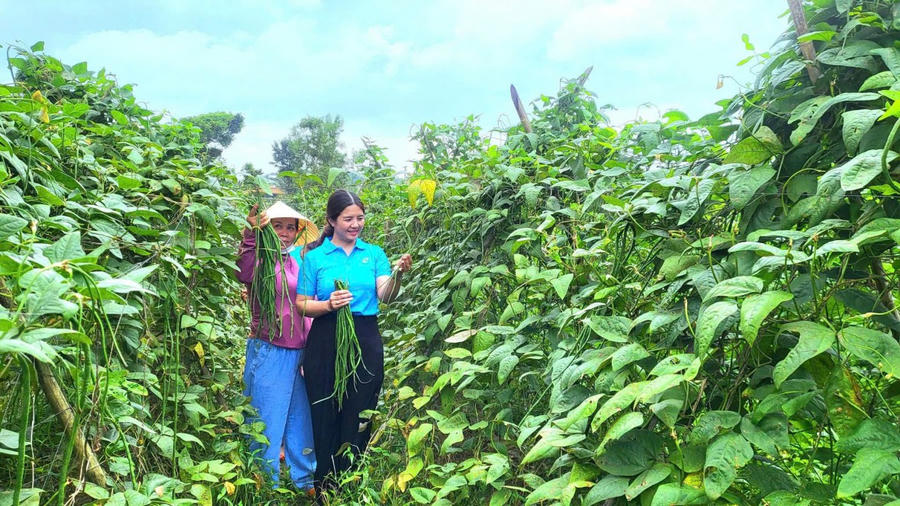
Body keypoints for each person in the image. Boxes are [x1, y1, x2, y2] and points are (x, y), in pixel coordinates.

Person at [295, 190, 412, 485]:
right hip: (325, 338)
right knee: (324, 410)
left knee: (359, 410)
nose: (355, 224)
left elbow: (385, 295)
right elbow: (303, 304)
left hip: (364, 337)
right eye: (348, 218)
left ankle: (351, 482)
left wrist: (397, 274)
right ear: (331, 220)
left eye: (360, 218)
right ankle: (325, 485)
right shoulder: (315, 257)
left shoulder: (373, 254)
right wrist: (329, 304)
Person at [235, 201, 317, 491]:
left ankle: (305, 478)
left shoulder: (297, 262)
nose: (284, 232)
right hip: (269, 349)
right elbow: (242, 274)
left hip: (300, 352)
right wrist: (250, 233)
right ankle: (262, 482)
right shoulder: (259, 258)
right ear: (267, 228)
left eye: (290, 227)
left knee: (300, 418)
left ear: (297, 232)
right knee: (265, 416)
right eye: (277, 226)